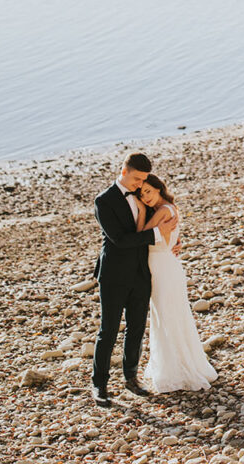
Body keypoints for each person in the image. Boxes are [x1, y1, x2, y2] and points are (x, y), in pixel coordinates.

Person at [90, 152, 177, 406]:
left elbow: (163, 211)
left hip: (141, 271)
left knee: (136, 327)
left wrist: (172, 238)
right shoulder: (104, 201)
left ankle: (131, 378)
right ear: (124, 171)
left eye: (144, 180)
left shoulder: (140, 194)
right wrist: (156, 235)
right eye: (137, 179)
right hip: (114, 274)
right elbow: (119, 239)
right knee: (108, 330)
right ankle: (99, 385)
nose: (140, 185)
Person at [136, 173, 218, 392]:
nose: (145, 197)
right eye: (141, 195)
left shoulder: (162, 211)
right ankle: (182, 364)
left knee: (166, 317)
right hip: (167, 265)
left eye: (148, 192)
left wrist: (141, 211)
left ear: (159, 189)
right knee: (172, 316)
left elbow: (140, 236)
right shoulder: (170, 208)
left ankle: (174, 371)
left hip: (162, 267)